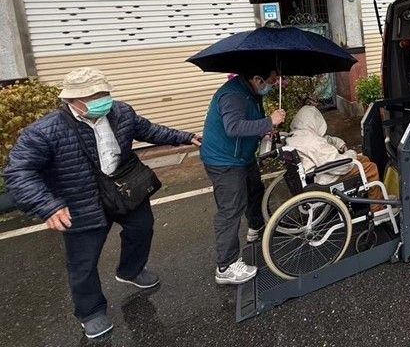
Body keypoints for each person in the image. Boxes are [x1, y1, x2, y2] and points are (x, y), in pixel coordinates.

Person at [3, 68, 200, 339]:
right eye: (93, 96)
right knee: (83, 262)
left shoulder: (121, 112)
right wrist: (48, 205)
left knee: (142, 228)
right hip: (80, 201)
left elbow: (149, 130)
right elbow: (19, 172)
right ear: (71, 100)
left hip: (122, 189)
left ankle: (131, 270)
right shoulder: (44, 131)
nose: (102, 100)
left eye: (104, 93)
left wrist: (184, 136)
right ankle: (91, 311)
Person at [200, 72, 285, 285]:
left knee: (255, 189)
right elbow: (234, 127)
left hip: (242, 156)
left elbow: (251, 122)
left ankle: (256, 227)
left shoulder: (252, 93)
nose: (273, 84)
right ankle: (226, 267)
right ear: (257, 79)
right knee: (231, 209)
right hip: (224, 160)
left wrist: (264, 131)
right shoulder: (233, 96)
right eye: (271, 81)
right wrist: (269, 121)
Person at [284, 105, 384, 211]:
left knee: (363, 159)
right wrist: (351, 153)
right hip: (325, 178)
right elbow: (339, 165)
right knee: (371, 168)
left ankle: (372, 194)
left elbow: (324, 139)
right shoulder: (311, 142)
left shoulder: (297, 136)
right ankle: (377, 208)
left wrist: (339, 143)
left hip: (313, 175)